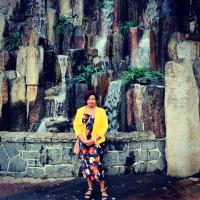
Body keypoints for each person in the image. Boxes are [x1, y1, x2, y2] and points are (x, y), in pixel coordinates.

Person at [73, 90, 108, 200]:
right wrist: (82, 139)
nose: (91, 101)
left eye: (93, 99)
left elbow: (104, 126)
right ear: (86, 100)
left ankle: (102, 189)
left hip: (96, 143)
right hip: (84, 143)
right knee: (86, 167)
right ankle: (90, 188)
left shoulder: (101, 111)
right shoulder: (80, 111)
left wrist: (93, 139)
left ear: (95, 100)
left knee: (98, 166)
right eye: (89, 99)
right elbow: (76, 126)